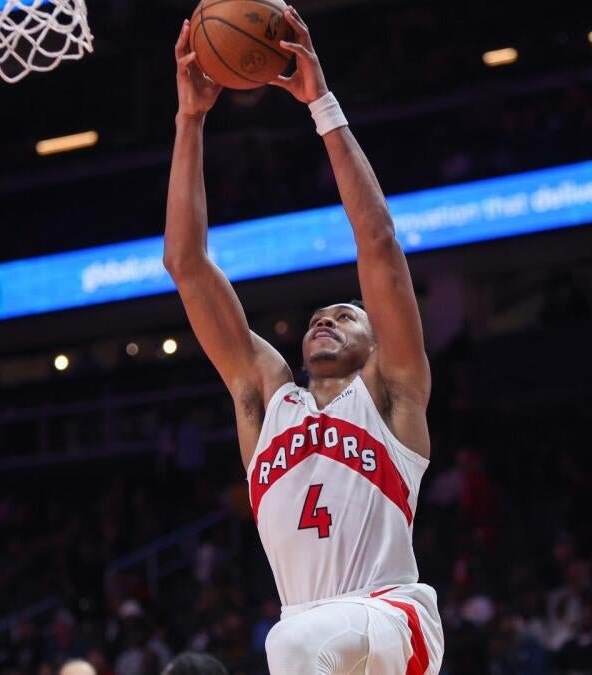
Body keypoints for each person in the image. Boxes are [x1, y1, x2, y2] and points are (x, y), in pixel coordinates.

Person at [165, 7, 443, 674]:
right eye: (320, 316)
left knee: (288, 643)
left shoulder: (392, 395)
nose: (327, 320)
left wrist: (321, 105)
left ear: (377, 345)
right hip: (312, 635)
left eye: (347, 316)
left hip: (391, 615)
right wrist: (190, 120)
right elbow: (186, 263)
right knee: (286, 641)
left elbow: (378, 241)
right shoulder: (265, 400)